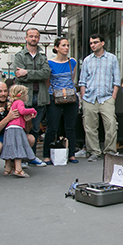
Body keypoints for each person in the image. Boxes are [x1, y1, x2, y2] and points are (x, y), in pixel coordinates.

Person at [78, 33, 121, 162]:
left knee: (111, 125)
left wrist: (113, 97)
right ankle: (94, 152)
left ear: (102, 43)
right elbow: (82, 81)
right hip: (90, 98)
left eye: (95, 42)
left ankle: (109, 152)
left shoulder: (112, 59)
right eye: (91, 43)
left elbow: (116, 80)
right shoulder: (87, 60)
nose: (93, 45)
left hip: (106, 98)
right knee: (90, 126)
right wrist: (83, 96)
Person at [13, 28, 50, 166]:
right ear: (26, 38)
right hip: (24, 98)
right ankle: (21, 158)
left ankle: (32, 157)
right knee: (22, 128)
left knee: (35, 129)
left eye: (36, 36)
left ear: (38, 39)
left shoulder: (43, 56)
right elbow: (18, 75)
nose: (34, 39)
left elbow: (46, 74)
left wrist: (26, 72)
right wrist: (35, 74)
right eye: (31, 36)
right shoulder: (19, 56)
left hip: (40, 97)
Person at [0, 81, 32, 174]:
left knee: (30, 139)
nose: (3, 94)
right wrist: (7, 118)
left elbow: (27, 130)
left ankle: (12, 164)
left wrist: (27, 119)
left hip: (10, 136)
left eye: (5, 91)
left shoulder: (14, 103)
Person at [43, 37, 79, 165]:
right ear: (56, 48)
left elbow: (72, 78)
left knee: (70, 127)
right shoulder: (49, 63)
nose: (66, 48)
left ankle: (71, 154)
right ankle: (47, 154)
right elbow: (47, 81)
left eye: (68, 45)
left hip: (70, 96)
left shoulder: (72, 62)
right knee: (52, 126)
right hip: (55, 96)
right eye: (63, 45)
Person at [0, 85, 37, 178]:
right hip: (16, 128)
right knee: (18, 147)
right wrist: (32, 110)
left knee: (10, 147)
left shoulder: (13, 103)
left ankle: (7, 169)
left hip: (9, 128)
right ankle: (18, 169)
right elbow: (22, 111)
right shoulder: (20, 102)